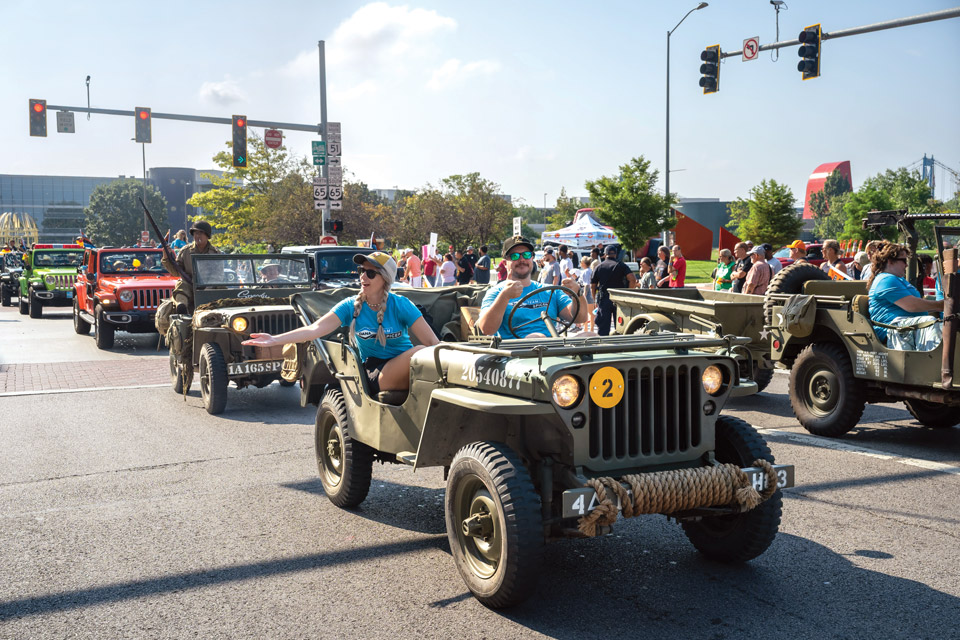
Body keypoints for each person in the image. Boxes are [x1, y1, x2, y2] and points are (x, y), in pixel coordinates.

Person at [243, 252, 438, 393]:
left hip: (407, 363)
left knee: (426, 354)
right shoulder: (350, 306)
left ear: (385, 278)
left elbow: (433, 342)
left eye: (370, 273)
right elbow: (315, 329)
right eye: (362, 271)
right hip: (377, 371)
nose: (363, 277)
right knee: (420, 352)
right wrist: (274, 340)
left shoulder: (401, 304)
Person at [477, 236, 589, 339]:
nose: (522, 260)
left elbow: (580, 318)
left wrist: (578, 293)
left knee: (591, 336)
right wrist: (504, 296)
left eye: (526, 255)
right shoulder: (496, 292)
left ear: (532, 258)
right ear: (505, 263)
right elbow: (486, 329)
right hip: (515, 355)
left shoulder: (550, 291)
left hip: (552, 350)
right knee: (537, 338)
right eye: (515, 256)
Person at [868, 242, 944, 350]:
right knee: (929, 322)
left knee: (945, 325)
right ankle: (934, 363)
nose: (906, 265)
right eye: (904, 261)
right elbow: (912, 305)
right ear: (890, 261)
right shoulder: (885, 279)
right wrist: (941, 305)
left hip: (907, 328)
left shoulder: (898, 279)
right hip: (892, 328)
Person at [161, 220, 219, 312]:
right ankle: (181, 306)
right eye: (195, 233)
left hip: (210, 285)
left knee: (222, 288)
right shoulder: (185, 251)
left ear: (207, 235)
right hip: (189, 286)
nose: (197, 236)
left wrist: (207, 289)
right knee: (181, 285)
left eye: (200, 233)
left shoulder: (215, 253)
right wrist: (166, 258)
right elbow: (176, 272)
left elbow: (218, 275)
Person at [592, 245, 639, 336]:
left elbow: (593, 286)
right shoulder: (621, 265)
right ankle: (619, 347)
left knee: (603, 329)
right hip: (618, 299)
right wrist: (627, 294)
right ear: (616, 254)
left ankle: (603, 347)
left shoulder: (599, 267)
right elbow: (632, 279)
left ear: (605, 254)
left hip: (604, 299)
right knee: (620, 327)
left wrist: (594, 300)